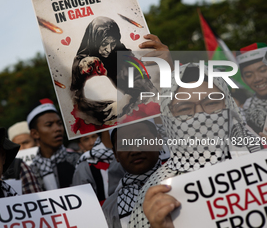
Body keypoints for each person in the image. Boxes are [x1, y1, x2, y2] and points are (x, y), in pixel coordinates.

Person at [128, 63, 264, 228]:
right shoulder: (159, 191)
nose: (201, 115)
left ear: (228, 105)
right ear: (169, 118)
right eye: (185, 109)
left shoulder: (261, 156)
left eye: (211, 103)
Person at [70, 16, 162, 131]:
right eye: (104, 43)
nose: (108, 49)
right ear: (93, 40)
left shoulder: (123, 56)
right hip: (102, 128)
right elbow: (76, 98)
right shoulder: (82, 63)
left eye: (113, 43)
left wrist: (126, 100)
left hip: (138, 122)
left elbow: (147, 88)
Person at [102, 120, 163, 228]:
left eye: (141, 140)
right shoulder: (110, 207)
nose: (134, 150)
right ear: (116, 154)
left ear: (158, 142)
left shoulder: (185, 183)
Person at [28, 98, 81, 191]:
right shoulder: (30, 172)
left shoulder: (79, 161)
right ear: (35, 133)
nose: (58, 129)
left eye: (59, 123)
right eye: (49, 125)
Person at [72, 131, 124, 205]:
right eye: (86, 139)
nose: (92, 142)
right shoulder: (83, 167)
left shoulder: (118, 158)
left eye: (94, 137)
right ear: (81, 145)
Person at [237, 43, 267, 135]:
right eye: (249, 75)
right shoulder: (244, 113)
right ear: (243, 79)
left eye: (263, 70)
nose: (257, 78)